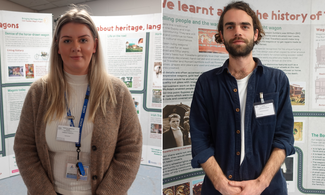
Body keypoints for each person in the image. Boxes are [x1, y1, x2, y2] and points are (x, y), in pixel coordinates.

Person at [13, 6, 142, 195]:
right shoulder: (39, 92)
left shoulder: (117, 92)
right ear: (57, 46)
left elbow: (131, 149)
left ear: (94, 45)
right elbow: (24, 147)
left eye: (83, 40)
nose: (76, 47)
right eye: (67, 40)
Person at [190, 1, 295, 195]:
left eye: (244, 26)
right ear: (221, 35)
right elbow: (199, 140)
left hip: (268, 189)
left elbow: (284, 138)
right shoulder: (206, 83)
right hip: (218, 190)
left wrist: (260, 184)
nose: (237, 32)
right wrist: (221, 184)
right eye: (230, 26)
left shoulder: (277, 80)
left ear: (255, 34)